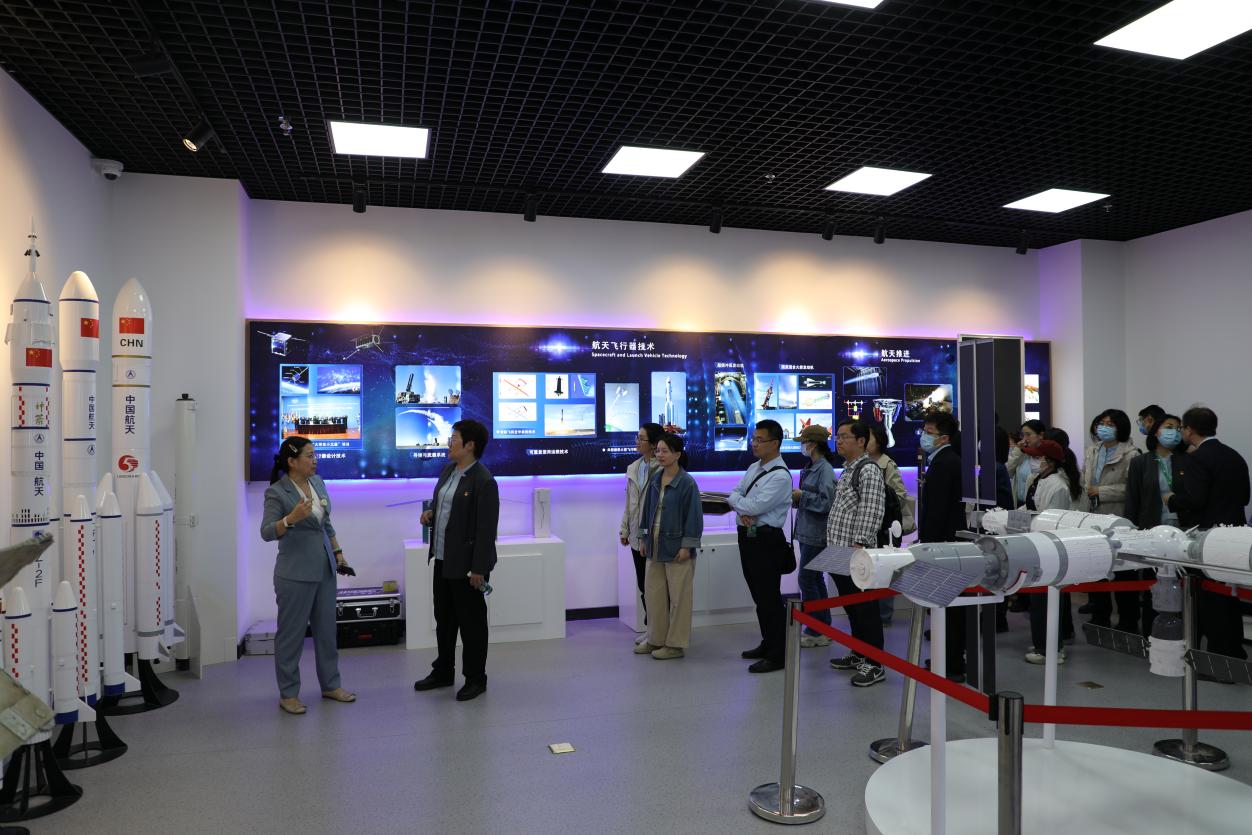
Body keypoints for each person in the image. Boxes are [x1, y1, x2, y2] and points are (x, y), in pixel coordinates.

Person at [260, 437, 357, 715]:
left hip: (324, 568)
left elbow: (326, 524)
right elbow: (266, 532)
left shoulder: (317, 482)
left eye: (315, 455)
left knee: (327, 632)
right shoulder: (276, 492)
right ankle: (289, 694)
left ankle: (331, 685)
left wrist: (338, 554)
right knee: (291, 636)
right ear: (292, 462)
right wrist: (290, 519)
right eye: (309, 456)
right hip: (295, 574)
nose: (315, 460)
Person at [414, 419, 500, 701]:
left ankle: (476, 678)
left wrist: (479, 569)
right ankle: (443, 670)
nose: (448, 442)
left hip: (467, 567)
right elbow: (447, 508)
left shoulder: (484, 481)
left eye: (454, 438)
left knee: (472, 623)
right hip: (442, 558)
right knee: (445, 618)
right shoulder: (449, 471)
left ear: (470, 445)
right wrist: (431, 515)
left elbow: (486, 530)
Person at [1165, 406, 1251, 661]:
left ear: (1189, 430)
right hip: (1235, 536)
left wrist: (1171, 500)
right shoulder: (1234, 455)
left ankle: (1218, 658)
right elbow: (1245, 497)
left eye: (1182, 428)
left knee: (1210, 599)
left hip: (1208, 538)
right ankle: (1233, 653)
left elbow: (1196, 500)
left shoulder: (1197, 459)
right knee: (1229, 596)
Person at [726, 419, 794, 673]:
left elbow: (754, 506)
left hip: (766, 540)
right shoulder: (754, 467)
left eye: (759, 440)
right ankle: (768, 643)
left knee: (769, 598)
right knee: (759, 596)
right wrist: (742, 506)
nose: (754, 444)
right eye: (753, 439)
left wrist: (742, 505)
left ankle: (778, 654)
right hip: (748, 537)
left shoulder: (780, 476)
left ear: (775, 443)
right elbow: (735, 493)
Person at [825, 419, 888, 687]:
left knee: (865, 610)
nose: (838, 441)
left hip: (856, 554)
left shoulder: (868, 470)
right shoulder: (848, 469)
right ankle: (859, 652)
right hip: (840, 551)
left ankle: (874, 663)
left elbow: (871, 510)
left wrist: (859, 545)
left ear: (861, 441)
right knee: (852, 608)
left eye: (844, 436)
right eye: (837, 436)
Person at [634, 433, 703, 660]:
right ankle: (655, 639)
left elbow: (694, 518)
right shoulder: (655, 478)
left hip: (677, 549)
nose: (660, 455)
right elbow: (646, 513)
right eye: (658, 451)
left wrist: (687, 546)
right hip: (654, 547)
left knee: (679, 600)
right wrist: (643, 538)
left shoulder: (687, 483)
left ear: (677, 454)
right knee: (654, 596)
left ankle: (675, 645)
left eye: (665, 451)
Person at [1019, 438, 1082, 663]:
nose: (1033, 461)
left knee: (1046, 601)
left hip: (1050, 549)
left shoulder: (1058, 486)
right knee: (1038, 602)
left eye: (1037, 457)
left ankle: (1051, 650)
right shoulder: (1039, 480)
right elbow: (1030, 506)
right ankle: (1043, 645)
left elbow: (1051, 519)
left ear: (1049, 461)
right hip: (1037, 545)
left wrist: (1025, 521)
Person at [918, 412, 969, 682]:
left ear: (944, 438)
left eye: (929, 432)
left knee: (949, 606)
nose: (924, 437)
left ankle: (951, 663)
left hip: (944, 545)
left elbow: (937, 512)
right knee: (946, 606)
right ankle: (947, 658)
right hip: (947, 543)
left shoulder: (945, 463)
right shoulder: (943, 461)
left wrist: (928, 546)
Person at [1125, 414, 1186, 637]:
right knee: (1153, 585)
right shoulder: (1140, 462)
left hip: (1183, 531)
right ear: (1157, 431)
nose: (1174, 432)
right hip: (1152, 530)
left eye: (1178, 428)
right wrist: (1131, 531)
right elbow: (1132, 499)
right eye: (1169, 427)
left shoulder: (1186, 460)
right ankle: (1151, 634)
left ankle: (1181, 633)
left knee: (1181, 585)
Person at [1084, 409, 1141, 632]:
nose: (1104, 427)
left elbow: (1131, 489)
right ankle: (1100, 615)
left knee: (1123, 572)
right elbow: (1084, 483)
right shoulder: (1092, 450)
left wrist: (1102, 491)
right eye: (1102, 423)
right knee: (1096, 569)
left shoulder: (1131, 454)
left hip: (1119, 519)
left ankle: (1128, 620)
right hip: (1093, 518)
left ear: (1121, 428)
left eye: (1110, 424)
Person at [791, 424, 837, 647]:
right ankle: (822, 628)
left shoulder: (824, 470)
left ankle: (815, 629)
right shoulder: (811, 467)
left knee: (807, 579)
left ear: (814, 444)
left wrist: (802, 496)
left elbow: (827, 502)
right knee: (815, 578)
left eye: (804, 442)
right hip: (808, 531)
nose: (802, 446)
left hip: (816, 533)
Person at [867, 422, 914, 626]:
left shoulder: (887, 464)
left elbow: (900, 495)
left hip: (885, 528)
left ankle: (884, 616)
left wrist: (877, 499)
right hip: (869, 527)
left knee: (884, 571)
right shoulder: (860, 463)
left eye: (868, 437)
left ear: (879, 441)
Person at [620, 422, 663, 645]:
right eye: (637, 437)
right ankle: (651, 629)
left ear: (654, 444)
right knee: (644, 586)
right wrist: (625, 529)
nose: (637, 442)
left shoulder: (662, 469)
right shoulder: (634, 467)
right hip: (637, 536)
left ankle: (660, 632)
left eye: (641, 438)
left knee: (656, 587)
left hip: (654, 537)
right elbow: (630, 503)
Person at [1007, 419, 1047, 506]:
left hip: (1035, 505)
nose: (1024, 439)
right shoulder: (1023, 454)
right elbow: (1009, 471)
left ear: (1040, 435)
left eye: (1028, 434)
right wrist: (1018, 450)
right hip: (1019, 504)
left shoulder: (1046, 456)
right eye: (1023, 435)